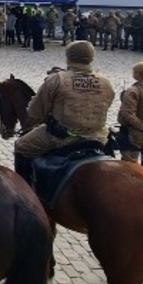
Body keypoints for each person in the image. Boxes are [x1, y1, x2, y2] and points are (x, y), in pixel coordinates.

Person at [13, 41, 115, 181]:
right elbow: (107, 104)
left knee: (21, 146)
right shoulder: (105, 82)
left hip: (62, 137)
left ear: (68, 58)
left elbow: (35, 112)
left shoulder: (57, 80)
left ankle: (24, 189)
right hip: (97, 137)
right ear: (92, 58)